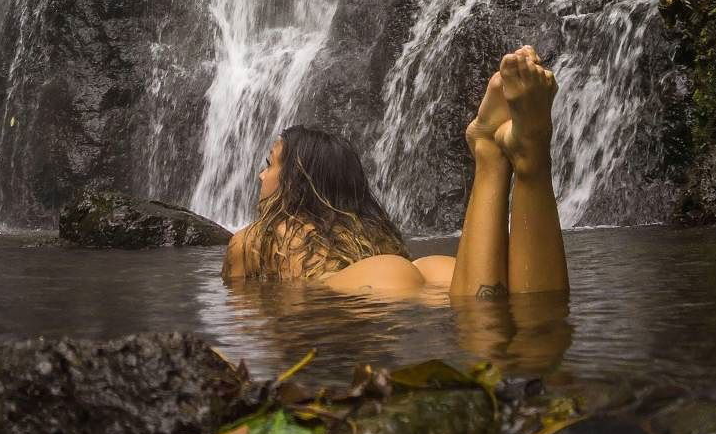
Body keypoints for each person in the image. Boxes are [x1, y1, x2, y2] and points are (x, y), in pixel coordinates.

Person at [221, 45, 568, 297]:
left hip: (370, 288)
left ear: (298, 181)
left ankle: (490, 157)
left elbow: (248, 330)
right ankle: (529, 160)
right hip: (428, 270)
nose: (259, 175)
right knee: (528, 307)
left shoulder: (252, 241)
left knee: (481, 317)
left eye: (269, 165)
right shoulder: (369, 237)